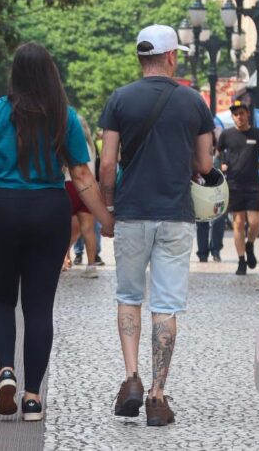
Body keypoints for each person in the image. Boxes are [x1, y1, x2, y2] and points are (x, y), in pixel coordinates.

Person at [0, 42, 114, 423]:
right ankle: (31, 398)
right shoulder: (65, 116)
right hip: (48, 209)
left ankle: (5, 370)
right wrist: (104, 218)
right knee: (39, 307)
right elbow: (81, 175)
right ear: (50, 74)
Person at [98, 24, 213, 427]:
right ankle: (157, 396)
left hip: (131, 213)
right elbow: (204, 166)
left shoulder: (120, 99)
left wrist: (109, 205)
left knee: (129, 295)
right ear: (171, 57)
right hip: (176, 215)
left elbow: (107, 162)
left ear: (139, 58)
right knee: (165, 305)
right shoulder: (193, 102)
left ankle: (131, 379)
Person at [218, 97, 259, 275]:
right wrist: (221, 164)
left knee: (255, 223)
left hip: (253, 185)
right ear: (232, 117)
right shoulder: (226, 135)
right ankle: (241, 260)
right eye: (235, 114)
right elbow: (216, 154)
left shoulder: (258, 134)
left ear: (247, 114)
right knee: (238, 223)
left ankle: (249, 244)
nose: (239, 117)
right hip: (233, 184)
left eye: (241, 113)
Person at [64, 115, 101, 278]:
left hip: (70, 185)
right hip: (90, 187)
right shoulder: (91, 146)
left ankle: (63, 259)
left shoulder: (71, 143)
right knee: (88, 229)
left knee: (65, 229)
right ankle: (91, 265)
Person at [196, 126, 226, 262]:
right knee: (201, 221)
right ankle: (202, 253)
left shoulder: (221, 153)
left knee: (218, 220)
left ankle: (215, 250)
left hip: (217, 191)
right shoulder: (195, 152)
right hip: (201, 191)